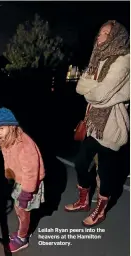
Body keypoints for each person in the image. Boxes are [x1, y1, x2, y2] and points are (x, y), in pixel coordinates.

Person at [65, 20, 130, 227]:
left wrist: (94, 92)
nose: (99, 36)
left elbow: (99, 94)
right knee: (81, 162)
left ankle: (100, 211)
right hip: (94, 124)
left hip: (112, 126)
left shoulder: (123, 61)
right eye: (99, 32)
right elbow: (80, 87)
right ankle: (84, 201)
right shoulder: (98, 58)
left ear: (115, 37)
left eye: (104, 33)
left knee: (106, 172)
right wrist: (96, 93)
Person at [0, 107, 45, 253]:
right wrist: (9, 175)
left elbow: (31, 172)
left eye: (1, 128)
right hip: (19, 181)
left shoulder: (24, 145)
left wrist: (26, 193)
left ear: (12, 126)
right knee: (19, 209)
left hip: (29, 184)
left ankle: (22, 238)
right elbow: (9, 160)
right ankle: (22, 231)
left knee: (23, 210)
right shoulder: (7, 141)